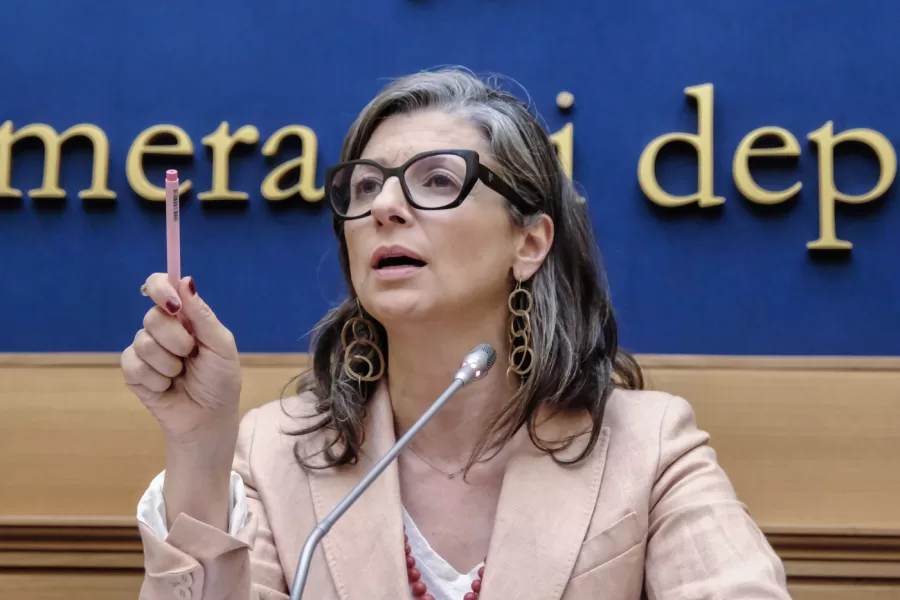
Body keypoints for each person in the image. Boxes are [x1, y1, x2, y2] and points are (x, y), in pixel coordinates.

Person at [121, 67, 792, 600]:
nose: (383, 207)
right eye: (364, 188)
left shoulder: (649, 449)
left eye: (435, 180)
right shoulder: (272, 453)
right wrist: (199, 446)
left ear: (529, 243)